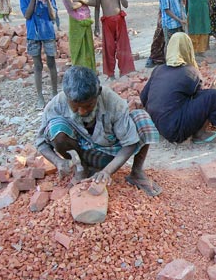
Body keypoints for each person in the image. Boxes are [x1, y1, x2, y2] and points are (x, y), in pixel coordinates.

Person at [36, 66, 162, 196]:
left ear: (99, 92)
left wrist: (107, 171)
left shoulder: (113, 102)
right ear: (66, 96)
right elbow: (41, 143)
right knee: (56, 127)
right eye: (76, 106)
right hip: (81, 154)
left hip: (110, 154)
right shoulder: (56, 104)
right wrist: (58, 161)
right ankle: (82, 169)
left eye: (88, 105)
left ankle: (136, 173)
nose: (82, 112)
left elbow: (129, 143)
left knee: (142, 118)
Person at [140, 32, 216, 144]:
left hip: (157, 126)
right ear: (187, 48)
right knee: (213, 95)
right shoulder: (190, 72)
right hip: (175, 130)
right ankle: (200, 134)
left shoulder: (158, 70)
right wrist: (214, 89)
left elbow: (143, 98)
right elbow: (198, 97)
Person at [21, 0, 58, 110]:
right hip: (33, 35)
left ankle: (55, 93)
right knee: (37, 66)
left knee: (51, 63)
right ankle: (40, 96)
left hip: (48, 32)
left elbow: (53, 15)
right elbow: (27, 14)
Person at [142, 0, 186, 68]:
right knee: (161, 30)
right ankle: (156, 56)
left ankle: (178, 59)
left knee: (179, 37)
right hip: (167, 2)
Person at [94, 0, 135, 80]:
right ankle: (110, 73)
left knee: (123, 46)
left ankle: (124, 71)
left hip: (120, 21)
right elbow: (97, 9)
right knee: (109, 48)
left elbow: (125, 5)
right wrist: (96, 26)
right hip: (107, 23)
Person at [59, 0, 96, 72]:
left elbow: (94, 2)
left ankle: (90, 72)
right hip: (75, 20)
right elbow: (72, 6)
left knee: (89, 48)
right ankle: (80, 74)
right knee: (77, 48)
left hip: (87, 19)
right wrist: (85, 0)